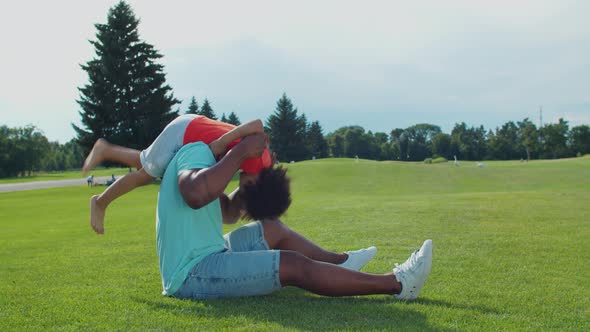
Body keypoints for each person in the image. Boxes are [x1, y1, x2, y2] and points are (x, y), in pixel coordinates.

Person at [157, 131, 433, 300]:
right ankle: (398, 284)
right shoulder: (194, 152)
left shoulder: (203, 162)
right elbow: (195, 195)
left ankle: (342, 263)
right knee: (293, 265)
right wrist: (240, 153)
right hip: (191, 273)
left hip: (210, 250)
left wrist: (253, 180)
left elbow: (228, 213)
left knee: (272, 228)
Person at [82, 114, 272, 234]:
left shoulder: (258, 164)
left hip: (190, 126)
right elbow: (257, 123)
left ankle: (104, 149)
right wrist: (221, 143)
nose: (242, 187)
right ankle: (100, 202)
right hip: (185, 133)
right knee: (145, 176)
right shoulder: (257, 160)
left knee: (145, 162)